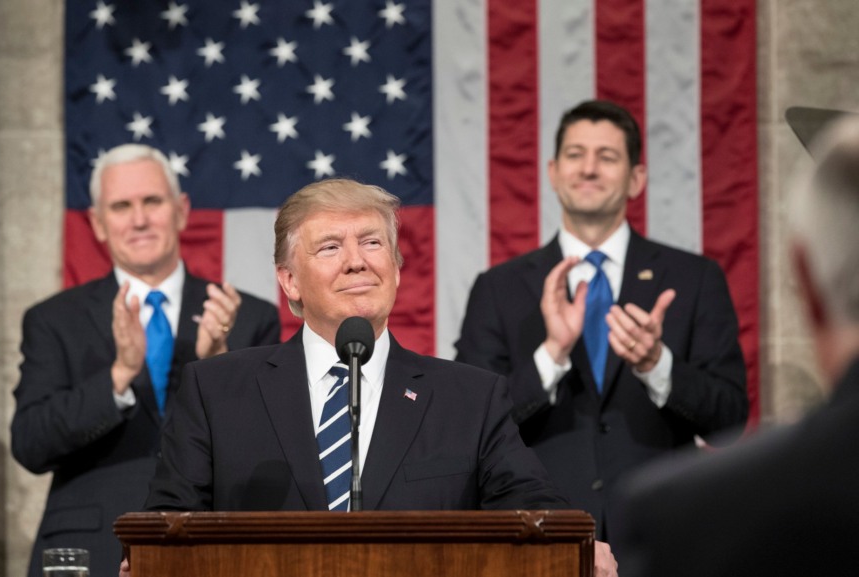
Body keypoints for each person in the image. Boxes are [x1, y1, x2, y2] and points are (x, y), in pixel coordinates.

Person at [137, 178, 618, 575]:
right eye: (330, 247)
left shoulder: (469, 398)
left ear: (396, 267)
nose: (356, 260)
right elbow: (166, 525)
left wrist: (573, 544)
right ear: (289, 281)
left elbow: (534, 505)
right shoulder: (216, 391)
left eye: (372, 242)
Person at [454, 100, 749, 538]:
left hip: (661, 534)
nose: (588, 169)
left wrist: (657, 365)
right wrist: (551, 356)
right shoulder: (498, 288)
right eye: (575, 155)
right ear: (553, 172)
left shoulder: (694, 278)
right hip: (539, 537)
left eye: (607, 157)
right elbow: (467, 425)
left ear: (636, 179)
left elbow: (730, 420)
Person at [10, 144, 281, 577]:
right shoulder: (53, 320)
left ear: (181, 210)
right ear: (98, 223)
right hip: (88, 552)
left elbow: (268, 454)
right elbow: (29, 443)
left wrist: (218, 364)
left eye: (152, 201)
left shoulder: (248, 317)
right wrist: (118, 375)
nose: (138, 219)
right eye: (121, 206)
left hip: (210, 550)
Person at [611, 114, 859, 577]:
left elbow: (726, 411)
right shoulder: (502, 289)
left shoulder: (689, 515)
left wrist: (657, 364)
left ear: (802, 279)